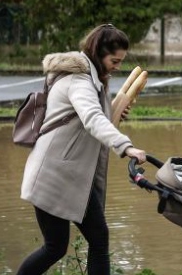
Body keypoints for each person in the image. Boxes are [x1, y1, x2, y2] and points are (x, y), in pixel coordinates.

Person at [18, 24, 147, 275]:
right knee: (67, 245)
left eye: (121, 62)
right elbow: (91, 118)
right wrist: (126, 146)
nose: (117, 66)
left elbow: (93, 117)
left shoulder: (90, 79)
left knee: (67, 245)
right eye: (114, 60)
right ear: (98, 52)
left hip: (69, 176)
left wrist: (114, 111)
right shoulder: (79, 80)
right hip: (55, 176)